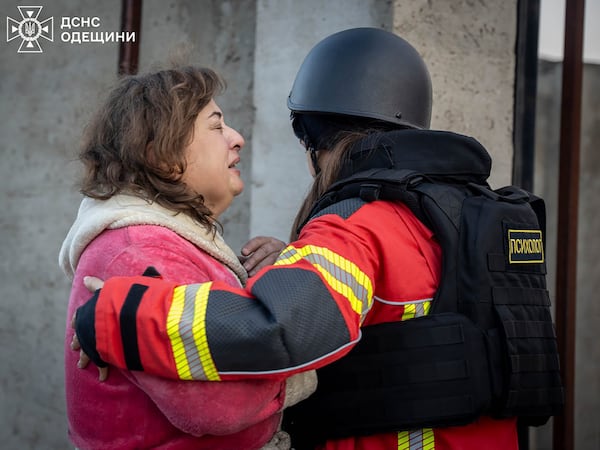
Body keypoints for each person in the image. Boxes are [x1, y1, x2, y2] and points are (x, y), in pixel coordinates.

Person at [73, 28, 527, 449]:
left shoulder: (357, 225)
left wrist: (120, 315)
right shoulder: (466, 211)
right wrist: (295, 262)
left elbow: (278, 330)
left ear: (315, 138)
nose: (237, 139)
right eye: (216, 126)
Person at [59, 65, 316, 450]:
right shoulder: (138, 252)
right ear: (161, 153)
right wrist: (302, 373)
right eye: (216, 126)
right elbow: (213, 406)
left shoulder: (164, 242)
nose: (238, 139)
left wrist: (277, 277)